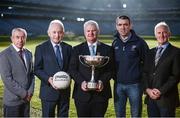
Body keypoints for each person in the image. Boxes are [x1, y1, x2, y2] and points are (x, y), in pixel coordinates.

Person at [68, 20, 114, 117]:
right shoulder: (77, 49)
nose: (91, 33)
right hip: (82, 95)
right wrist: (82, 82)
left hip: (101, 95)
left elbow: (111, 70)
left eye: (93, 30)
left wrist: (102, 81)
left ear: (98, 31)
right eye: (88, 31)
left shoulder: (108, 49)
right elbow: (72, 69)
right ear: (84, 32)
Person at [112, 15, 149, 117]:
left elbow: (147, 64)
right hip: (118, 85)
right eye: (120, 25)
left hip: (135, 85)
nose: (123, 27)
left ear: (130, 26)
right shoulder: (115, 42)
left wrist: (143, 82)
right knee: (119, 115)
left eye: (125, 25)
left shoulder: (140, 42)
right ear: (116, 26)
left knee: (136, 115)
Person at [34, 19, 72, 117]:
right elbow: (37, 69)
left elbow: (71, 68)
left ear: (63, 33)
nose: (57, 35)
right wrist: (48, 79)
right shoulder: (41, 48)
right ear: (49, 33)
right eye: (54, 32)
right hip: (48, 91)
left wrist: (68, 77)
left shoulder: (68, 48)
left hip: (64, 92)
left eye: (59, 32)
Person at [142, 21, 180, 117]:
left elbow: (176, 76)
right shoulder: (150, 53)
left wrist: (161, 91)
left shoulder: (176, 52)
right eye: (159, 33)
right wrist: (147, 90)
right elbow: (145, 73)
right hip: (151, 98)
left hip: (167, 99)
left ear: (169, 34)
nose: (161, 35)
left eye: (164, 32)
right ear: (155, 35)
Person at [0, 28, 35, 117]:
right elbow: (7, 79)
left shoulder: (28, 53)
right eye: (17, 37)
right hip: (12, 101)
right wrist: (24, 94)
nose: (20, 40)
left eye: (23, 37)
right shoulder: (5, 55)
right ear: (12, 38)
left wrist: (30, 92)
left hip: (26, 100)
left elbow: (31, 74)